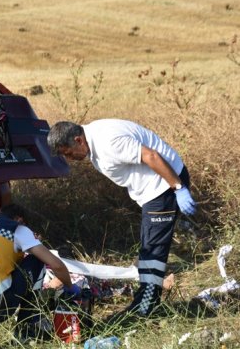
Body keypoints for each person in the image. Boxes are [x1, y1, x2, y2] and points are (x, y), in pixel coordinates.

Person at [47, 119, 196, 318]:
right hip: (153, 192)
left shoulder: (108, 142)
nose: (70, 159)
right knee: (148, 246)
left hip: (163, 188)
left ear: (78, 140)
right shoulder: (94, 139)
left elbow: (150, 155)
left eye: (68, 153)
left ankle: (146, 307)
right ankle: (145, 299)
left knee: (153, 250)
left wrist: (178, 188)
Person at [0, 203, 81, 325]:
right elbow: (56, 265)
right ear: (19, 220)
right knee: (37, 259)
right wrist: (70, 287)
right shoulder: (16, 228)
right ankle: (28, 324)